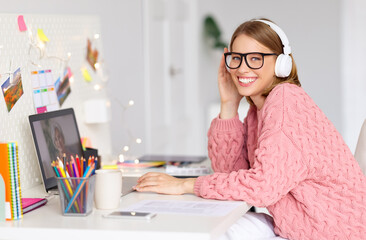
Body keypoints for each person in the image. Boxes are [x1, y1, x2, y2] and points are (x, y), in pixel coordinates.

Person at [134, 18, 366, 239]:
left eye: (255, 58)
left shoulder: (286, 101)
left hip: (332, 234)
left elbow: (262, 187)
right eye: (237, 58)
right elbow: (228, 173)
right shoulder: (259, 109)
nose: (242, 69)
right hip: (298, 227)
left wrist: (184, 185)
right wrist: (229, 105)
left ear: (281, 63)